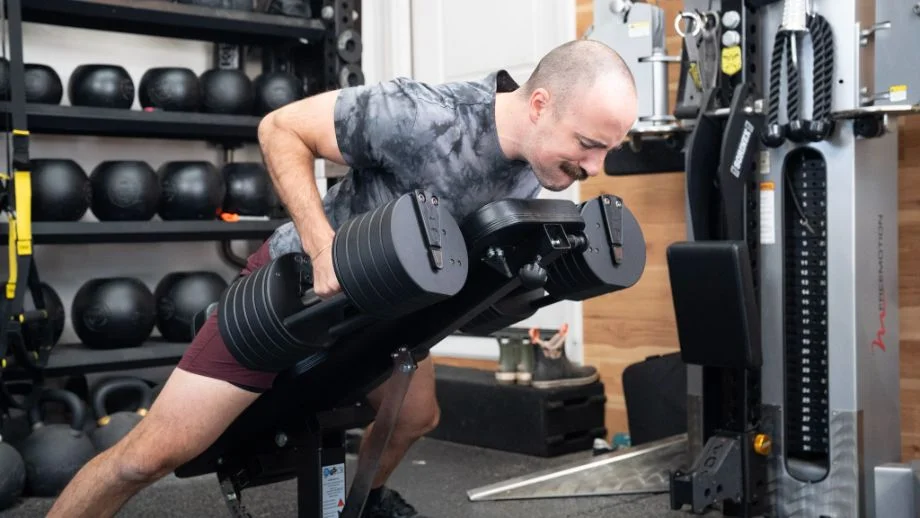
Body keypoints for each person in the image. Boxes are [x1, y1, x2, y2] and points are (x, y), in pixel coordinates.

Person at [47, 38, 638, 518]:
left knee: (414, 418)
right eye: (588, 145)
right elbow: (280, 128)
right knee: (147, 459)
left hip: (389, 305)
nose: (594, 168)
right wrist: (322, 246)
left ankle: (366, 500)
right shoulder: (424, 114)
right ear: (539, 105)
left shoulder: (540, 161)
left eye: (607, 151)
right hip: (297, 290)